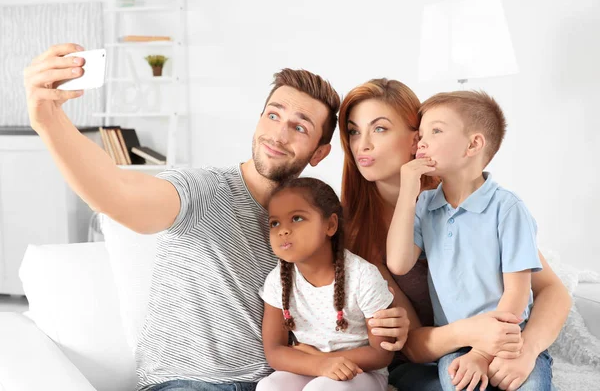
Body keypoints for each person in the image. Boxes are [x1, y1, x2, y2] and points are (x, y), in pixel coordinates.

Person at [23, 44, 410, 391]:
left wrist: (396, 329)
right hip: (190, 381)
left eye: (299, 127)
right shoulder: (202, 190)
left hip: (278, 381)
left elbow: (359, 298)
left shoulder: (316, 222)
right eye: (273, 116)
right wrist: (47, 120)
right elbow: (118, 195)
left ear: (319, 152)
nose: (278, 134)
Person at [338, 79, 571, 391]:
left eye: (379, 128)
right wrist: (474, 337)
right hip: (437, 356)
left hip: (503, 343)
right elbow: (413, 346)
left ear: (414, 138)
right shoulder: (361, 233)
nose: (361, 144)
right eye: (353, 131)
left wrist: (525, 350)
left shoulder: (487, 205)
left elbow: (550, 292)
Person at [386, 90, 548, 390]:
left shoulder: (507, 208)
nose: (421, 141)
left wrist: (484, 352)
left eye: (435, 131)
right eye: (421, 133)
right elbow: (398, 263)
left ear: (473, 144)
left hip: (513, 339)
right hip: (457, 346)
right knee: (461, 383)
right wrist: (408, 191)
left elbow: (517, 294)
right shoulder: (424, 206)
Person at [257, 177, 394, 391]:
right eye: (275, 223)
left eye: (297, 218)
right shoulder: (277, 281)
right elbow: (274, 351)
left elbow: (382, 352)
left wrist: (322, 361)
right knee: (269, 387)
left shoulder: (363, 276)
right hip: (310, 366)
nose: (283, 230)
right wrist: (319, 364)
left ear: (330, 225)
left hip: (363, 373)